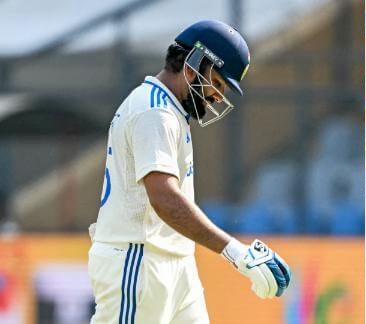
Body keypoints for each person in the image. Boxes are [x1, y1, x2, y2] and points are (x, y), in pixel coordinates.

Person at [88, 20, 290, 324]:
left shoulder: (170, 111)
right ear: (194, 64)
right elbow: (164, 198)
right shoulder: (154, 110)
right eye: (218, 84)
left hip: (174, 261)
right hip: (138, 260)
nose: (218, 97)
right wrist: (235, 252)